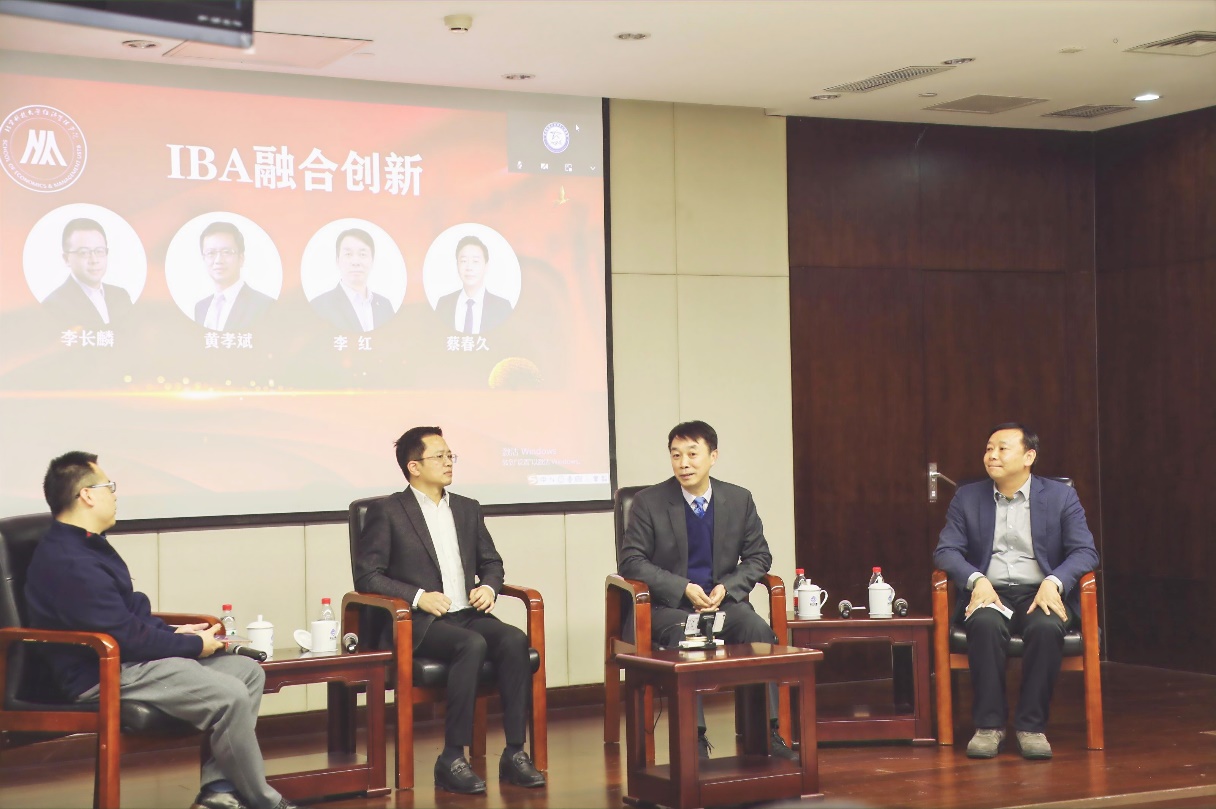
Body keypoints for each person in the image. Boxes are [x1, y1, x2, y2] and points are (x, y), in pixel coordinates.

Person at [23, 452, 296, 809]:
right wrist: (194, 646)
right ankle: (265, 801)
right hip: (101, 672)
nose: (115, 495)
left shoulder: (88, 543)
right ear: (87, 495)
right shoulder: (69, 561)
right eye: (109, 487)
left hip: (125, 659)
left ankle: (219, 792)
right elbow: (124, 637)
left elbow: (128, 615)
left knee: (246, 672)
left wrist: (176, 634)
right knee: (228, 694)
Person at [353, 426, 544, 794]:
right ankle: (452, 758)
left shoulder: (467, 508)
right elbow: (367, 576)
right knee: (471, 645)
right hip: (419, 620)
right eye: (439, 456)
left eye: (450, 455)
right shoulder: (387, 511)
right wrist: (417, 596)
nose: (448, 462)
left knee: (513, 640)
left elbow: (491, 562)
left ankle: (515, 753)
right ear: (413, 466)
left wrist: (489, 586)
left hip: (467, 613)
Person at [618, 420, 798, 761]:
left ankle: (767, 733)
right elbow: (631, 562)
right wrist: (682, 588)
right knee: (687, 637)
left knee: (758, 630)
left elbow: (759, 556)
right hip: (666, 609)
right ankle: (694, 740)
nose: (683, 463)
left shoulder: (739, 499)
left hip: (721, 605)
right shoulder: (648, 502)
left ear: (713, 456)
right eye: (676, 455)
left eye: (692, 454)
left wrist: (727, 588)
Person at [933, 423, 1099, 760]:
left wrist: (1054, 582)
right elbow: (946, 551)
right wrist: (976, 580)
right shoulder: (968, 497)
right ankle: (989, 726)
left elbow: (1085, 551)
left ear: (1029, 456)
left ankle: (1031, 727)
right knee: (984, 624)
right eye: (988, 448)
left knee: (1046, 627)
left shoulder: (1060, 497)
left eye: (1002, 448)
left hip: (1040, 592)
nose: (992, 455)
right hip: (990, 592)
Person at [42, 218, 133, 327]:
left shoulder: (121, 296)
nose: (94, 260)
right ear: (66, 259)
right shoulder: (53, 306)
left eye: (99, 251)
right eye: (84, 253)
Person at [309, 227, 395, 332]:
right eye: (348, 254)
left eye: (362, 254)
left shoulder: (385, 305)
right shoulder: (319, 306)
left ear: (372, 261)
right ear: (337, 261)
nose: (355, 262)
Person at [192, 221, 273, 331]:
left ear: (241, 258)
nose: (218, 260)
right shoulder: (201, 307)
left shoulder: (264, 306)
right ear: (204, 259)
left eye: (227, 252)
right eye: (211, 253)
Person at [436, 235, 513, 334]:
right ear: (457, 265)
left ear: (486, 266)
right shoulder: (443, 304)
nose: (469, 267)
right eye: (463, 261)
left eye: (475, 261)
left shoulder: (502, 307)